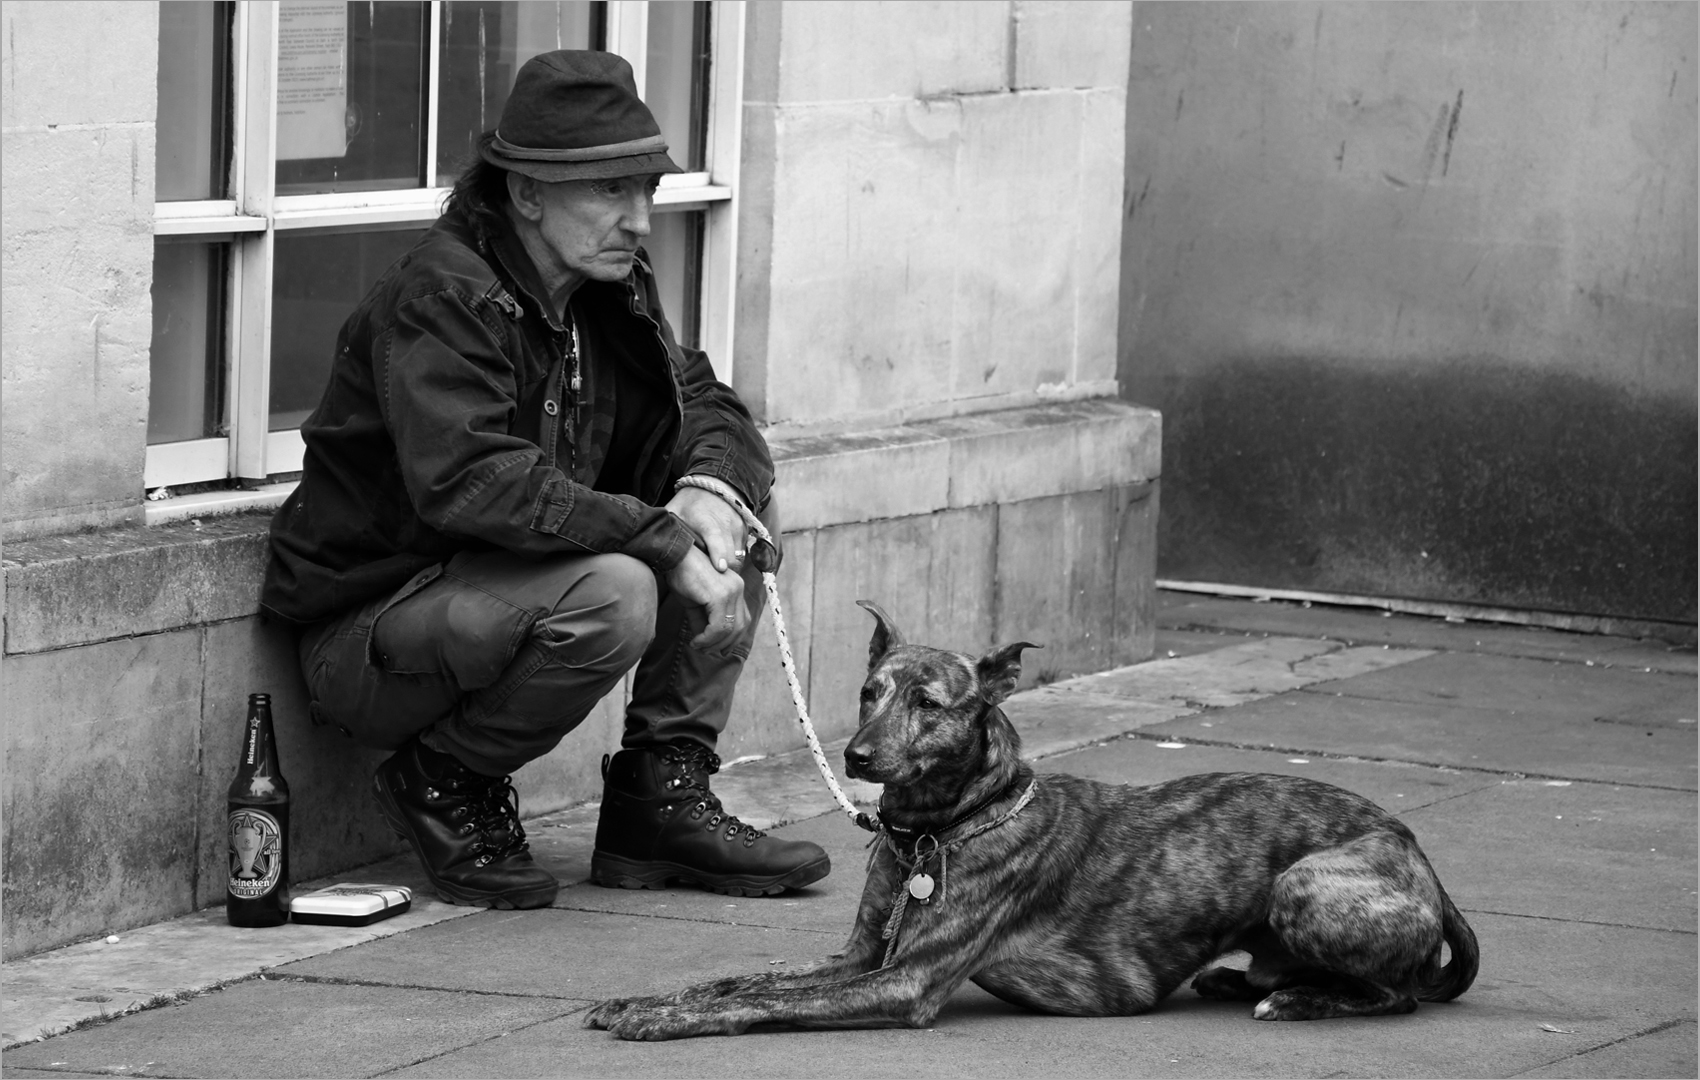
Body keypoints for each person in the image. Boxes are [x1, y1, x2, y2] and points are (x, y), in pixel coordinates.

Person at [260, 50, 829, 910]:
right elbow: (476, 483)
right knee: (622, 590)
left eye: (647, 190)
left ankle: (657, 796)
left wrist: (711, 493)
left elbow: (707, 402)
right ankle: (442, 780)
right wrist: (660, 536)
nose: (640, 219)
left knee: (731, 507)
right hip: (369, 634)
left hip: (492, 599)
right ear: (525, 192)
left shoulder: (605, 286)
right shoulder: (445, 295)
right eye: (610, 191)